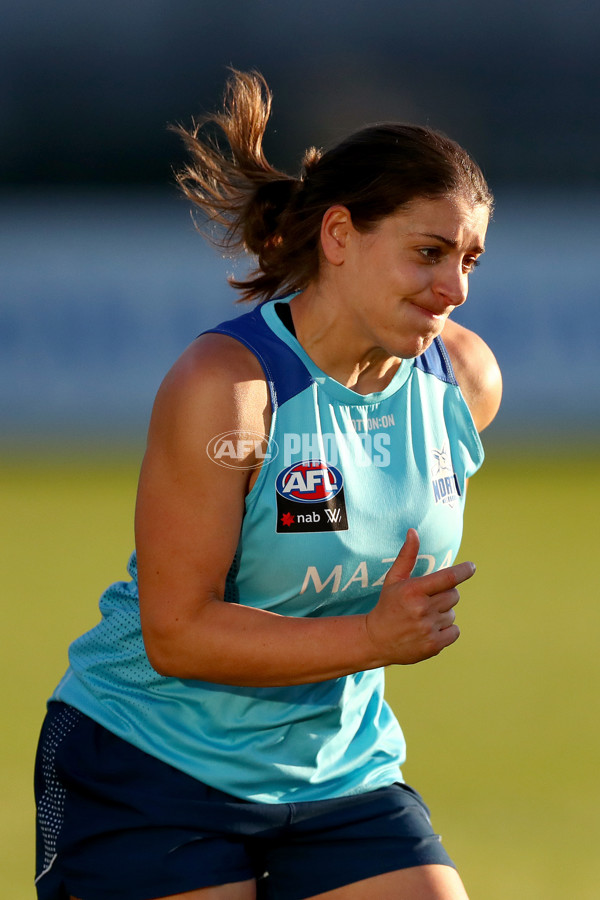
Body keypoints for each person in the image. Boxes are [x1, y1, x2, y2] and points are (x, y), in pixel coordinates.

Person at [34, 70, 502, 900]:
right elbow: (175, 634)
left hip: (338, 772)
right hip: (149, 762)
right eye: (428, 253)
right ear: (339, 235)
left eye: (468, 259)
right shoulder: (229, 389)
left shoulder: (462, 379)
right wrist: (372, 640)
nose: (454, 287)